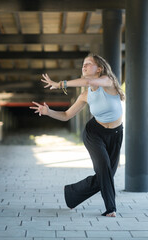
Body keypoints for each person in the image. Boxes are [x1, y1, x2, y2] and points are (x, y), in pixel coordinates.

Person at [30, 53, 125, 217]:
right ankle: (111, 208)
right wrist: (48, 112)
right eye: (83, 64)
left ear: (99, 69)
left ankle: (71, 194)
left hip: (116, 133)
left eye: (88, 63)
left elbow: (88, 81)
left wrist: (60, 83)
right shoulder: (85, 95)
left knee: (107, 174)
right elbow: (66, 115)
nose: (84, 66)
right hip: (94, 133)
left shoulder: (108, 82)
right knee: (104, 169)